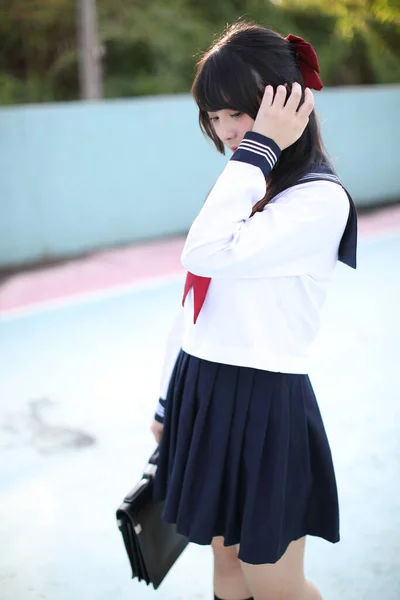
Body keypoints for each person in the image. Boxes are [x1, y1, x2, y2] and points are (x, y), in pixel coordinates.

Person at [150, 21, 357, 600]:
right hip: (203, 386)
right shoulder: (249, 186)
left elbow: (207, 253)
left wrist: (258, 148)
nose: (226, 132)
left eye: (239, 113)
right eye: (214, 118)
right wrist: (169, 397)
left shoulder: (319, 200)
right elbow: (194, 302)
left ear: (288, 103)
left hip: (265, 400)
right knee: (226, 567)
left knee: (274, 582)